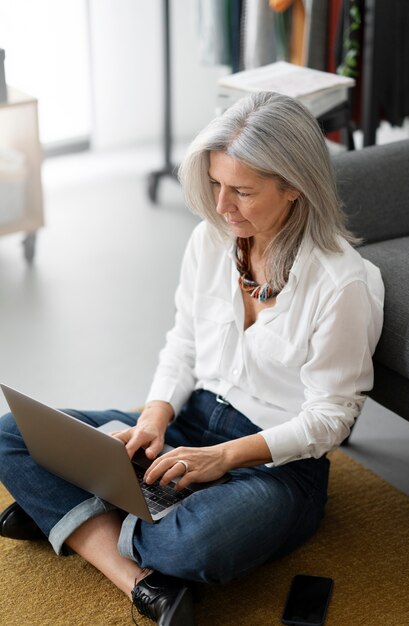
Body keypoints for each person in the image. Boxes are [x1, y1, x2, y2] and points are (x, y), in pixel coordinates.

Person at [0, 92, 384, 626]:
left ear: (295, 186)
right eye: (216, 185)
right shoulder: (211, 240)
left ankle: (73, 511)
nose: (222, 206)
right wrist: (156, 417)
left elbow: (331, 418)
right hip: (191, 420)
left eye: (242, 192)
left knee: (195, 544)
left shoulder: (344, 284)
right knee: (12, 430)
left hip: (274, 468)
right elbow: (183, 342)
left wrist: (224, 459)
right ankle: (136, 579)